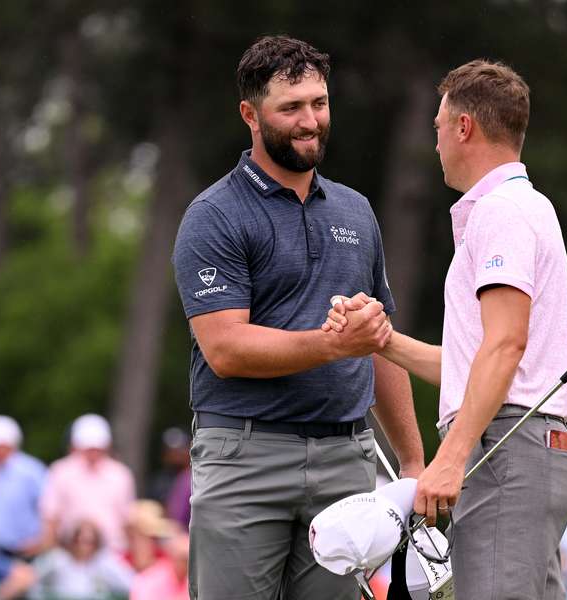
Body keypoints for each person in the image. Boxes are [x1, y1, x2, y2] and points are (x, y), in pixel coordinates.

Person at [171, 35, 424, 600]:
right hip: (244, 460)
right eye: (291, 107)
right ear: (250, 115)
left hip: (345, 461)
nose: (311, 121)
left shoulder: (357, 211)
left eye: (320, 103)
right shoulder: (214, 215)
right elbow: (226, 348)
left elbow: (379, 341)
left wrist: (411, 462)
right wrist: (337, 345)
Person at [326, 59, 567, 599]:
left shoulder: (501, 211)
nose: (435, 141)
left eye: (438, 126)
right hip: (526, 448)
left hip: (504, 449)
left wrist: (451, 457)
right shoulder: (526, 206)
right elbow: (477, 362)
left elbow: (506, 346)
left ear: (464, 127)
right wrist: (384, 341)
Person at [39, 414, 136, 553]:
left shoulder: (120, 474)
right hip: (70, 551)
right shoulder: (61, 471)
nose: (93, 453)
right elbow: (51, 517)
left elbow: (128, 519)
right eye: (88, 448)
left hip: (112, 551)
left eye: (97, 448)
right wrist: (48, 551)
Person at [0, 415, 47, 559]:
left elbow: (47, 509)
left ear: (5, 445)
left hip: (25, 551)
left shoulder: (31, 470)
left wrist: (40, 540)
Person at [30, 519, 135, 600]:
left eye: (89, 542)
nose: (82, 546)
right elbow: (32, 576)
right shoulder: (58, 559)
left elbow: (130, 583)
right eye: (78, 540)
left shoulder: (104, 562)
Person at [129, 532, 190, 600]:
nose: (188, 564)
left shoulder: (191, 582)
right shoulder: (150, 579)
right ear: (172, 557)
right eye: (184, 559)